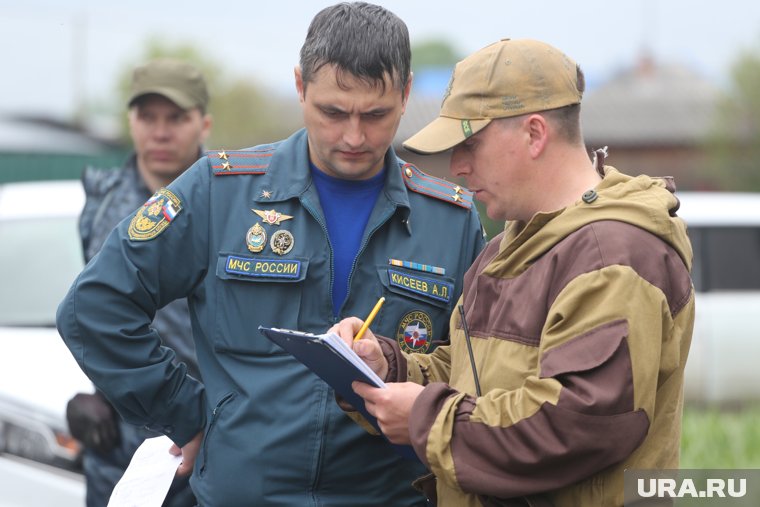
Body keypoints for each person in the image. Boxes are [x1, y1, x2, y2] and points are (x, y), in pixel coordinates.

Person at [56, 3, 485, 506]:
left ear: (407, 93)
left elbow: (479, 369)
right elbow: (93, 309)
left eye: (376, 115)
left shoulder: (451, 220)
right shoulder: (220, 193)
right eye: (332, 112)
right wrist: (188, 414)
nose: (353, 136)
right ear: (300, 86)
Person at [331, 38, 695, 507]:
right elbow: (471, 376)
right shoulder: (510, 245)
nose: (458, 167)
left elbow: (575, 425)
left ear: (534, 134)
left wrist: (425, 418)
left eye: (471, 144)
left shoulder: (611, 255)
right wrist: (387, 366)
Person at [65, 58, 212, 507]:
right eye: (148, 117)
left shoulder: (233, 199)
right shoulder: (102, 201)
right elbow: (94, 314)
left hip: (205, 434)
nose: (161, 133)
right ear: (130, 121)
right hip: (121, 454)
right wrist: (90, 394)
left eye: (176, 118)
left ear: (204, 123)